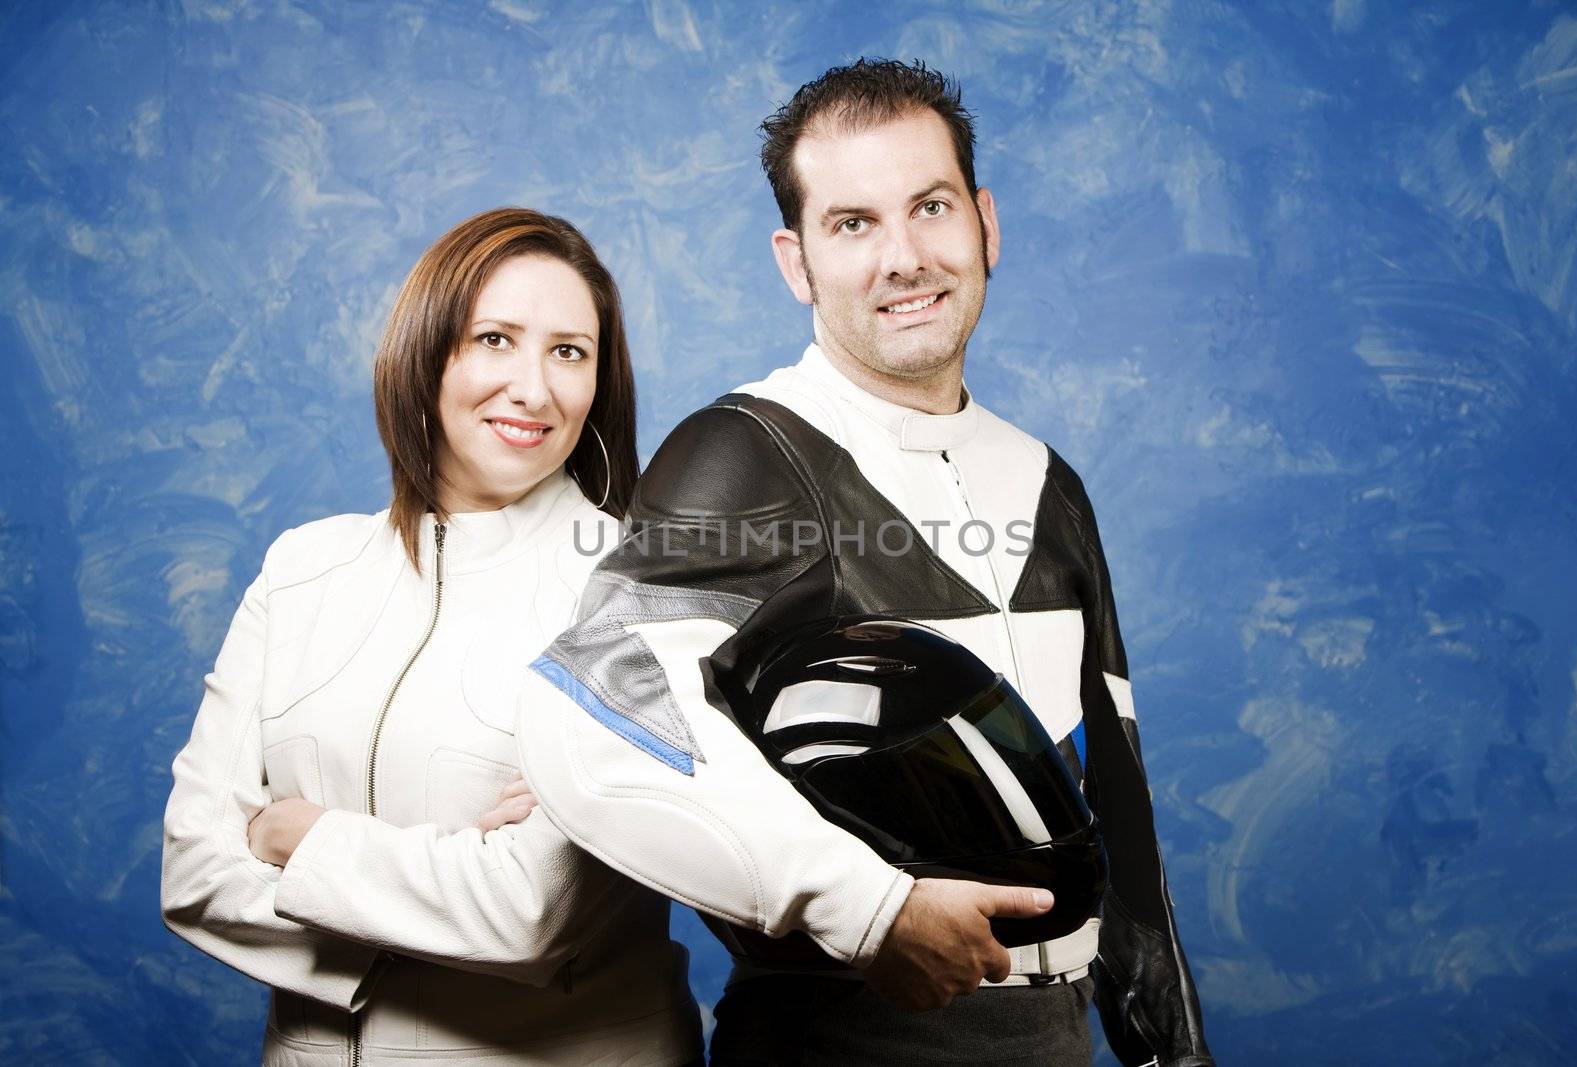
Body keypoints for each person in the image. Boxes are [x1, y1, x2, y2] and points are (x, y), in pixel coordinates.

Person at [515, 60, 1214, 1067]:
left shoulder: (1047, 480)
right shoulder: (749, 449)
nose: (904, 256)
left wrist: (1169, 1052)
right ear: (795, 262)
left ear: (984, 224)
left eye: (929, 207)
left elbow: (1119, 805)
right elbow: (587, 717)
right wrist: (869, 908)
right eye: (852, 223)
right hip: (845, 1035)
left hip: (1053, 1041)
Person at [160, 207, 703, 1066]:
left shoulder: (641, 589)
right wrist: (439, 898)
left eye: (570, 351)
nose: (533, 387)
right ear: (426, 348)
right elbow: (193, 873)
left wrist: (296, 836)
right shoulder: (302, 569)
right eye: (495, 338)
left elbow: (528, 912)